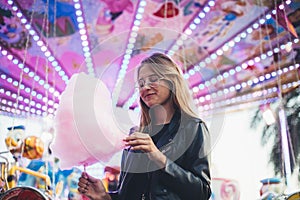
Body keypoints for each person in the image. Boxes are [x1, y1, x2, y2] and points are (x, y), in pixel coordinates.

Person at [78, 52, 212, 200]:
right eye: (141, 83)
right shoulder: (135, 135)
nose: (145, 87)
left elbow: (202, 192)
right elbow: (128, 195)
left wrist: (159, 158)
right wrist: (104, 196)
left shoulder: (192, 128)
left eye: (153, 79)